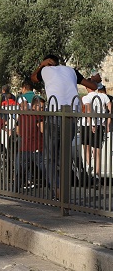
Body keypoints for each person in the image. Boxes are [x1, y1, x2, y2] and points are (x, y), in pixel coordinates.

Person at [30, 55, 100, 198]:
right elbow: (93, 86)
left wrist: (41, 65)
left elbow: (33, 79)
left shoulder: (45, 70)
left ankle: (58, 190)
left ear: (48, 63)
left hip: (55, 115)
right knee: (63, 156)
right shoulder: (71, 71)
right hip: (72, 117)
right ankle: (63, 190)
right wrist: (94, 80)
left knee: (49, 158)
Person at [80, 82, 110, 186]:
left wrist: (91, 123)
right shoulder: (103, 96)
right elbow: (110, 109)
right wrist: (107, 124)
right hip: (100, 125)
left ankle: (89, 168)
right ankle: (97, 174)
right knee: (97, 151)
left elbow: (88, 110)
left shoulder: (86, 98)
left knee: (86, 147)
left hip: (87, 125)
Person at [15, 96, 45, 191]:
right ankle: (55, 188)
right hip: (36, 147)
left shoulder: (22, 115)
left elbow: (18, 131)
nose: (42, 110)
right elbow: (42, 130)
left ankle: (16, 188)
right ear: (35, 106)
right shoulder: (38, 116)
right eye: (41, 107)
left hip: (24, 147)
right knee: (45, 169)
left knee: (21, 170)